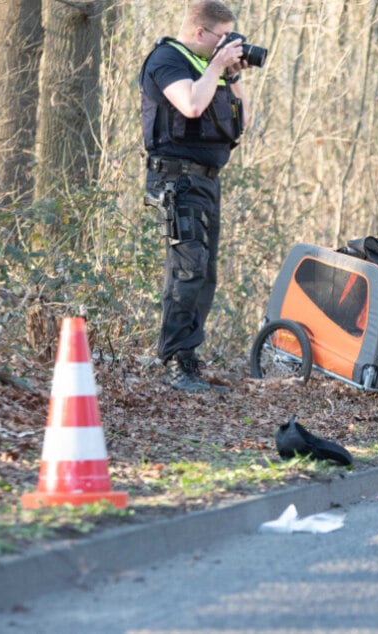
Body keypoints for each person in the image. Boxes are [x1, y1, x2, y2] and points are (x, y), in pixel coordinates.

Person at [140, 1, 252, 392]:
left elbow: (243, 121)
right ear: (201, 32)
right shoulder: (167, 59)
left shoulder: (212, 68)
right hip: (176, 180)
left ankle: (188, 361)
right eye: (223, 37)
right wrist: (218, 67)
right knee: (186, 270)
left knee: (205, 273)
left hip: (206, 181)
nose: (229, 45)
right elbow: (190, 105)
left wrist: (233, 76)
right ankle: (174, 363)